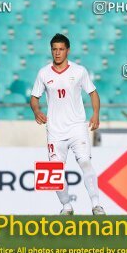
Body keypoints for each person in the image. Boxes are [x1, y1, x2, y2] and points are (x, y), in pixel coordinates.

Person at [30, 33, 105, 215]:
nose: (57, 53)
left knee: (85, 162)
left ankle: (96, 204)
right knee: (55, 172)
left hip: (77, 127)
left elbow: (93, 93)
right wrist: (37, 111)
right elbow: (34, 98)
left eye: (61, 49)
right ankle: (66, 206)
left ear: (68, 51)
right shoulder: (44, 73)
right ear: (51, 51)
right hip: (55, 130)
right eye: (54, 49)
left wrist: (95, 114)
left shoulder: (79, 71)